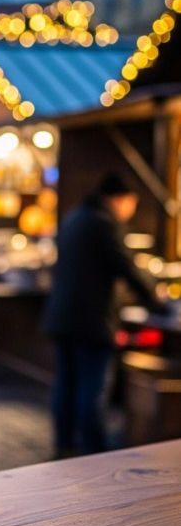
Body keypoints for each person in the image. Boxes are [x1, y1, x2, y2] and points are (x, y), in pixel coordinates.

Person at [43, 171, 168, 458]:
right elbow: (127, 268)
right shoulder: (103, 224)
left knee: (66, 383)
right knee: (92, 388)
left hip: (62, 316)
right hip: (91, 321)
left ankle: (64, 444)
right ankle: (94, 452)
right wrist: (156, 301)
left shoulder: (76, 217)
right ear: (122, 200)